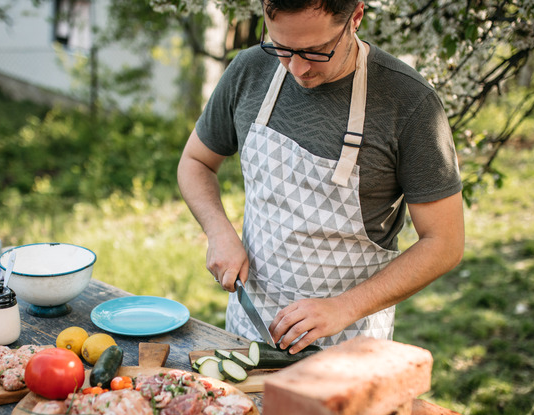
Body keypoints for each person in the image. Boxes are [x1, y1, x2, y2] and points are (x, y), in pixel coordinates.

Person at [177, 0, 465, 353]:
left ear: (356, 17)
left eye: (317, 51)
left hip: (349, 345)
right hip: (248, 332)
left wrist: (344, 307)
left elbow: (444, 243)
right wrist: (217, 229)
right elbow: (195, 161)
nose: (297, 68)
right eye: (282, 47)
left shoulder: (408, 103)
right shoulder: (250, 71)